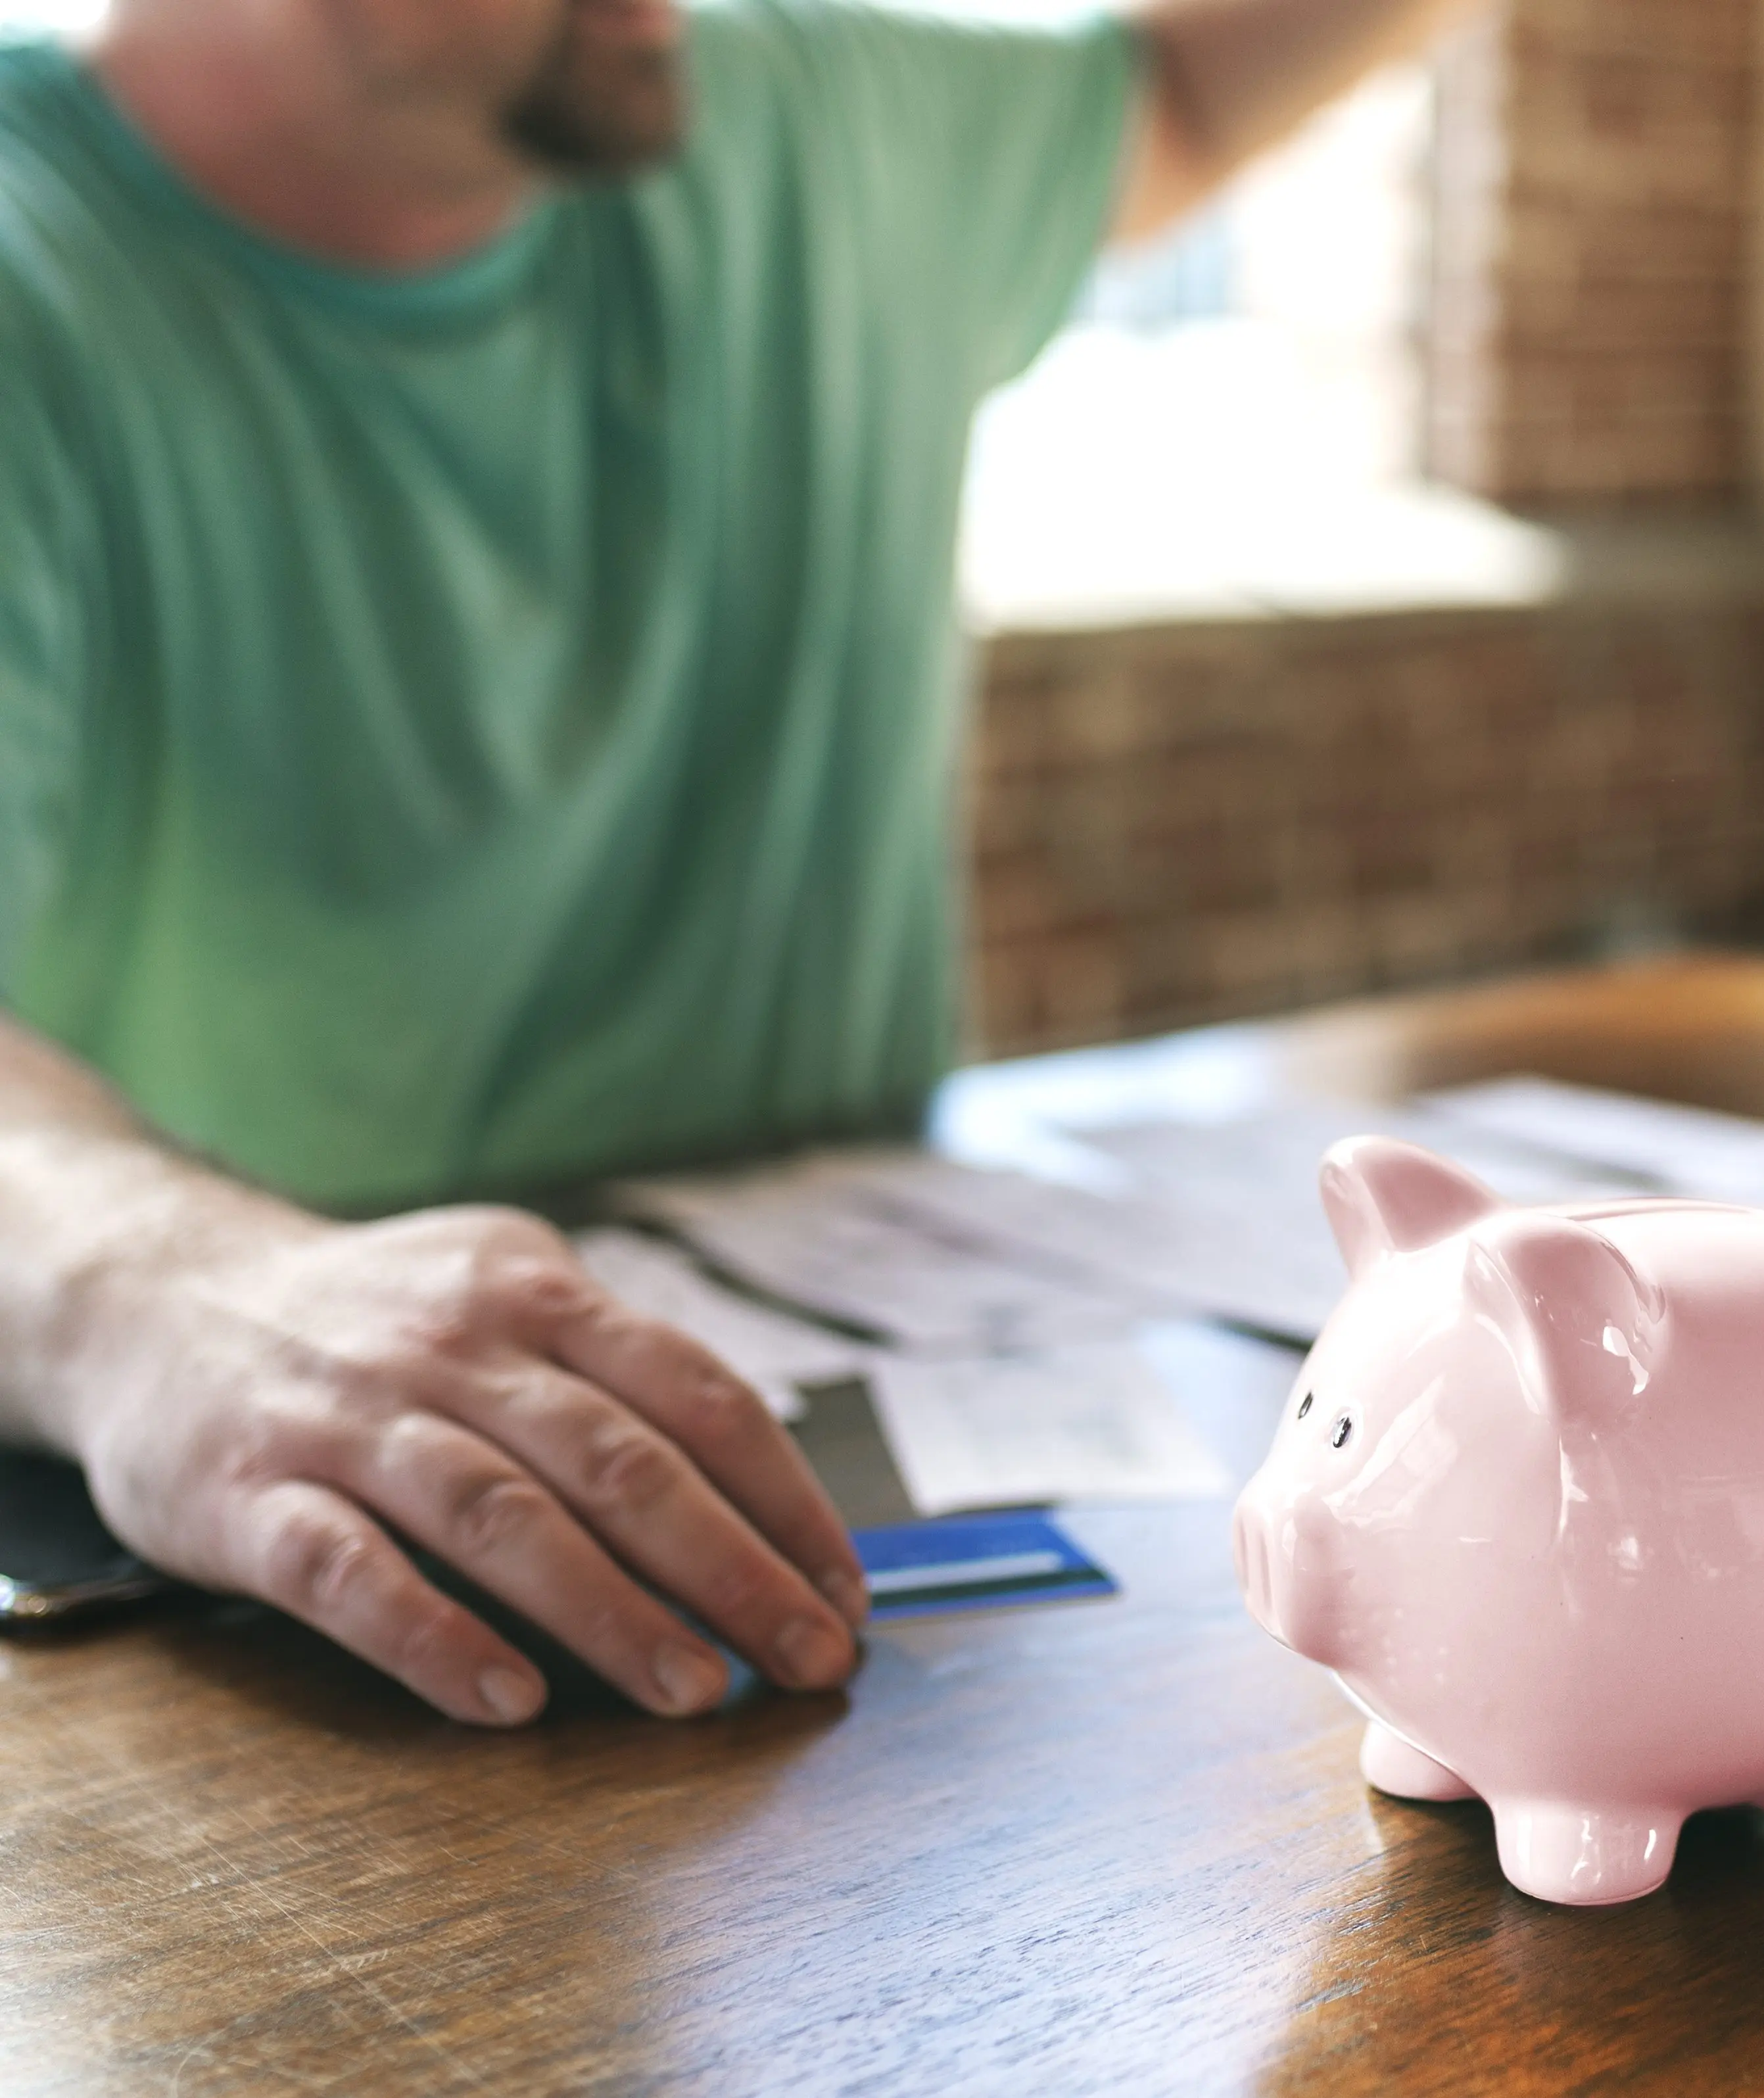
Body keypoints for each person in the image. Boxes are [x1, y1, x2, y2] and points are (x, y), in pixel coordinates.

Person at [0, 0, 1471, 1725]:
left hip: (915, 1573)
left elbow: (1187, 104)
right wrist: (154, 1284)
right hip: (297, 1615)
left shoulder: (790, 124)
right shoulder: (42, 279)